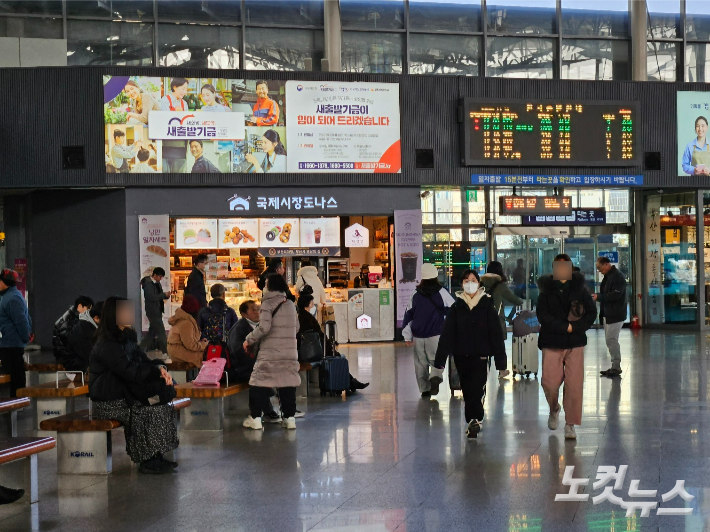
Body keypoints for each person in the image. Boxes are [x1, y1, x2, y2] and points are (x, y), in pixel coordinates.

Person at [89, 296, 179, 474]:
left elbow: (144, 361)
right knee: (144, 409)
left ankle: (156, 454)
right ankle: (146, 458)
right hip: (109, 402)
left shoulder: (126, 338)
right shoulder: (107, 343)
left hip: (127, 395)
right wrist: (154, 372)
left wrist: (160, 368)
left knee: (159, 405)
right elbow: (129, 371)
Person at [432, 270, 507, 438]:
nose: (470, 283)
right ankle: (472, 419)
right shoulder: (457, 307)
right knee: (467, 389)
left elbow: (496, 335)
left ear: (479, 284)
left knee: (477, 387)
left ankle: (475, 419)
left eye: (473, 280)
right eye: (467, 280)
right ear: (462, 284)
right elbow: (447, 335)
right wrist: (439, 362)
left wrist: (501, 364)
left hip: (481, 355)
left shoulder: (487, 305)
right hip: (461, 355)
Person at [537, 254, 597, 440]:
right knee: (550, 383)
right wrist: (564, 327)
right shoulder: (546, 291)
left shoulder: (580, 290)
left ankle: (570, 424)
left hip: (575, 342)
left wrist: (576, 328)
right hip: (552, 341)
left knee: (574, 385)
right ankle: (554, 408)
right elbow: (543, 315)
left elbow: (591, 313)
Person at [242, 274, 300, 431]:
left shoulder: (267, 303)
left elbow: (264, 328)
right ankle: (289, 418)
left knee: (258, 383)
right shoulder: (289, 303)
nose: (264, 286)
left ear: (270, 286)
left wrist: (249, 339)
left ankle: (255, 418)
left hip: (270, 352)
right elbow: (297, 328)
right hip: (289, 352)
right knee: (288, 383)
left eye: (266, 284)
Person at [401, 263, 455, 398]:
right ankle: (435, 377)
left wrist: (407, 336)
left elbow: (408, 315)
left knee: (420, 364)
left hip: (418, 336)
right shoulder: (442, 292)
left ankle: (425, 390)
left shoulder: (415, 294)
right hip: (436, 335)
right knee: (437, 360)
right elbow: (454, 309)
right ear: (436, 276)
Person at [297, 293, 369, 395]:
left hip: (308, 349)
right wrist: (329, 346)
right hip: (313, 350)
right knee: (337, 357)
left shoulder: (302, 317)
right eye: (311, 302)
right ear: (307, 304)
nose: (313, 304)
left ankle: (350, 382)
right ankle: (350, 383)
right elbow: (318, 336)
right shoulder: (308, 318)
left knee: (336, 356)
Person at [227, 300, 283, 423]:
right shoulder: (239, 328)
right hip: (240, 368)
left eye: (258, 309)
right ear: (244, 314)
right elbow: (238, 352)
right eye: (253, 309)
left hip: (253, 365)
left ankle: (271, 409)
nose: (257, 312)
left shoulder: (257, 327)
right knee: (259, 377)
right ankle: (266, 412)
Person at [594, 257, 627, 378]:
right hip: (608, 313)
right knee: (610, 340)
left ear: (606, 264)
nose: (599, 271)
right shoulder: (608, 276)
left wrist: (599, 297)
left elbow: (616, 295)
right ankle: (614, 366)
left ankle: (616, 366)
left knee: (611, 340)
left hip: (615, 314)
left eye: (599, 267)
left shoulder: (618, 276)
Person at [0, 269, 31, 398]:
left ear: (4, 282)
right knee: (14, 376)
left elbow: (22, 321)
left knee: (15, 377)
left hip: (12, 346)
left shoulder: (12, 298)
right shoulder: (9, 296)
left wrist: (25, 338)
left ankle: (16, 403)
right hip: (9, 344)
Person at [481, 261, 523, 337]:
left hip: (482, 323)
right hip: (497, 324)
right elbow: (515, 300)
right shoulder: (500, 286)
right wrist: (522, 300)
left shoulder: (480, 284)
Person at [167, 295, 209, 369]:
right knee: (205, 357)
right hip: (178, 352)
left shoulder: (185, 320)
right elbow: (190, 345)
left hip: (176, 350)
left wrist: (200, 342)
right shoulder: (186, 323)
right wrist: (204, 345)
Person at [53, 295, 94, 369]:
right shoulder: (69, 321)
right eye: (88, 309)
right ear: (80, 306)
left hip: (68, 356)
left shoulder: (72, 318)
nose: (89, 312)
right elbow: (71, 343)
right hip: (67, 359)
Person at [140, 267, 172, 355]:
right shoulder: (147, 283)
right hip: (152, 310)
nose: (160, 279)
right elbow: (151, 297)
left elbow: (159, 295)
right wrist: (163, 295)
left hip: (157, 310)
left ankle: (141, 348)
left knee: (152, 332)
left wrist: (166, 295)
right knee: (161, 331)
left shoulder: (157, 283)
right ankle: (166, 350)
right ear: (155, 275)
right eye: (160, 277)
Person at [66, 301, 103, 373]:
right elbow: (95, 358)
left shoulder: (87, 325)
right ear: (96, 318)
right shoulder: (86, 331)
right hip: (81, 373)